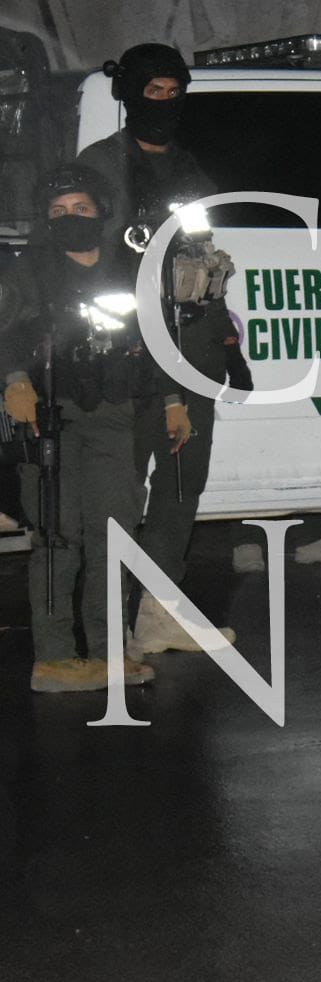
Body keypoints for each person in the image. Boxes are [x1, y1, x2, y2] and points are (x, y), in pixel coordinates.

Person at [78, 42, 246, 656]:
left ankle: (159, 613)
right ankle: (106, 628)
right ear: (129, 93)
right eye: (154, 92)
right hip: (130, 351)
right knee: (119, 491)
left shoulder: (190, 169)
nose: (166, 103)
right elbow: (91, 272)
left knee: (181, 483)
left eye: (176, 93)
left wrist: (223, 335)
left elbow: (202, 256)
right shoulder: (99, 167)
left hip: (191, 345)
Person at [0, 165, 155, 692]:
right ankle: (55, 658)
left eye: (81, 208)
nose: (71, 217)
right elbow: (5, 329)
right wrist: (15, 380)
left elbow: (153, 337)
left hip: (115, 413)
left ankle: (110, 651)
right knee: (58, 534)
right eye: (59, 211)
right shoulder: (28, 269)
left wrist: (172, 400)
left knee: (114, 533)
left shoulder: (127, 267)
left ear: (101, 211)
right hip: (49, 417)